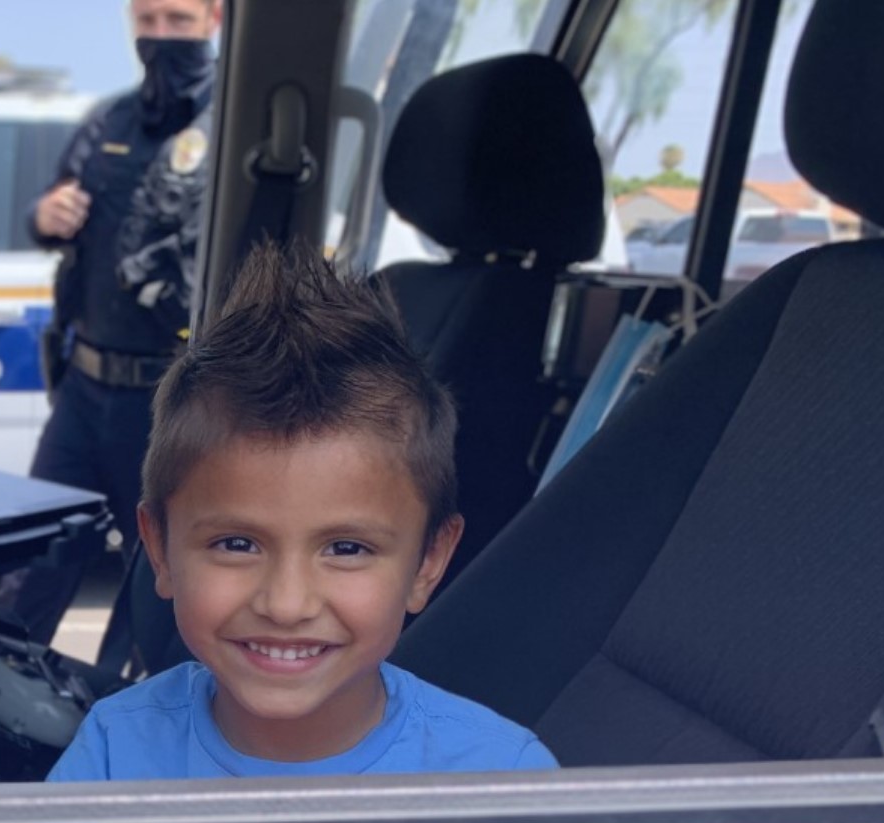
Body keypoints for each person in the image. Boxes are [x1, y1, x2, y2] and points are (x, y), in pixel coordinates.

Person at [49, 246, 558, 781]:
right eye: (237, 544)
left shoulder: (501, 778)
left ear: (429, 562)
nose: (287, 605)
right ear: (160, 549)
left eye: (346, 548)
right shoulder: (114, 749)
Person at [0, 0, 223, 644]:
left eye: (177, 21)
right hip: (84, 391)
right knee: (33, 563)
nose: (159, 37)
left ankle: (155, 727)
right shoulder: (110, 120)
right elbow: (51, 213)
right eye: (147, 21)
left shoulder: (230, 127)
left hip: (170, 398)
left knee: (161, 593)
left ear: (215, 19)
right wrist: (45, 217)